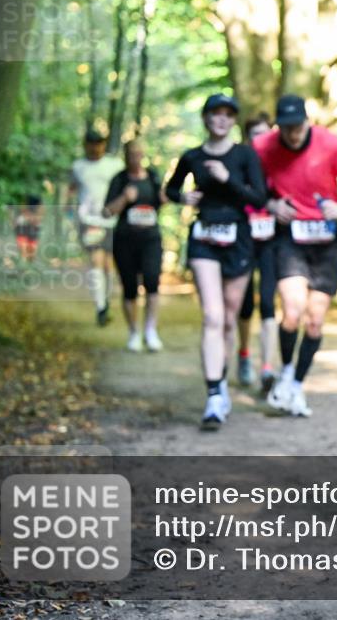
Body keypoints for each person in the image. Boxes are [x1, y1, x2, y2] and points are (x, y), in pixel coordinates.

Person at [253, 94, 337, 417]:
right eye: (286, 127)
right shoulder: (262, 147)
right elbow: (248, 186)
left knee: (314, 320)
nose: (293, 133)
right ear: (278, 127)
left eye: (297, 125)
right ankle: (285, 373)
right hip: (290, 239)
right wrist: (270, 205)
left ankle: (297, 386)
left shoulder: (330, 144)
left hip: (327, 241)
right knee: (292, 311)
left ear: (307, 122)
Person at [165, 94, 268, 430]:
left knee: (228, 319)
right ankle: (213, 395)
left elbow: (259, 197)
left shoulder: (244, 154)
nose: (221, 120)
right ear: (205, 118)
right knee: (212, 315)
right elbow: (170, 190)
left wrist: (228, 179)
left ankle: (222, 383)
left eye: (228, 114)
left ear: (234, 121)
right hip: (204, 237)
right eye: (215, 114)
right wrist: (183, 197)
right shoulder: (192, 156)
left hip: (238, 239)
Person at [102, 140, 167, 352]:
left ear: (143, 154)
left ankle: (150, 330)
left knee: (152, 282)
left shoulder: (153, 176)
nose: (135, 157)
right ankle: (133, 333)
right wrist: (124, 197)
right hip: (125, 240)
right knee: (130, 288)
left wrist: (166, 195)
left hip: (151, 240)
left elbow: (163, 200)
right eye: (131, 154)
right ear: (125, 156)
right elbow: (107, 211)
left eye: (139, 153)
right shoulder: (119, 180)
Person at [236, 114, 280, 394]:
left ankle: (267, 367)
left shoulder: (279, 166)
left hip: (271, 242)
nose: (259, 140)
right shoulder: (238, 164)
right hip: (242, 241)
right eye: (255, 134)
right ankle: (243, 355)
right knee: (244, 305)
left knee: (267, 302)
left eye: (265, 134)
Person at [68, 128, 124, 326]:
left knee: (108, 264)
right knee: (96, 260)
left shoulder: (115, 165)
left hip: (112, 220)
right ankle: (100, 306)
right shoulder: (78, 166)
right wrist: (68, 212)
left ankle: (105, 301)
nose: (95, 147)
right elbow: (72, 189)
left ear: (104, 144)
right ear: (86, 145)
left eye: (99, 143)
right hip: (89, 221)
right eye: (91, 143)